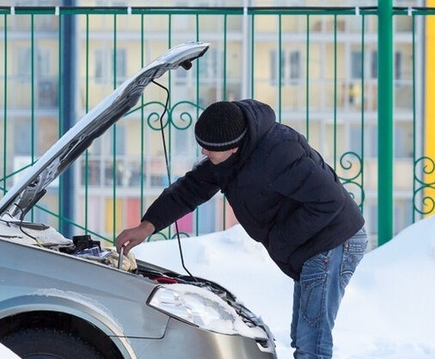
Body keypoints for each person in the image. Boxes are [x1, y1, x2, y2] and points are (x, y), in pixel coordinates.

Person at [115, 99, 367, 359]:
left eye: (209, 148)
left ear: (233, 147)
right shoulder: (228, 159)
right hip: (313, 244)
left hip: (335, 241)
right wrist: (147, 226)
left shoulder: (280, 153)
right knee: (303, 337)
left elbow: (330, 201)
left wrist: (279, 239)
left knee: (311, 342)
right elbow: (190, 189)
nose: (203, 152)